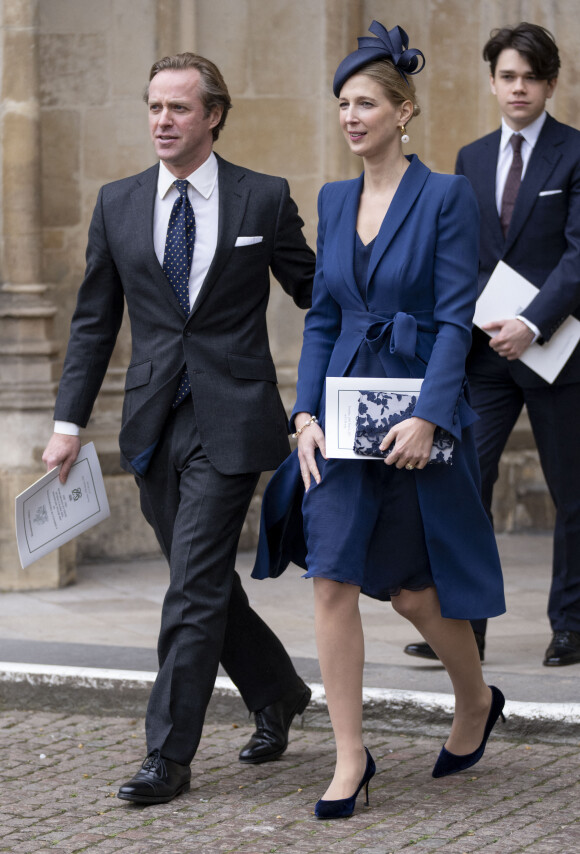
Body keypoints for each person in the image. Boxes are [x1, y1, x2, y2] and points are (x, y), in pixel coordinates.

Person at [41, 52, 316, 805]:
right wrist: (68, 423)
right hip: (153, 422)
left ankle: (168, 755)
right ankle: (280, 690)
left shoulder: (263, 198)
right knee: (201, 585)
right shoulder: (117, 202)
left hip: (232, 418)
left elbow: (314, 291)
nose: (163, 121)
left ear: (214, 115)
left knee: (191, 587)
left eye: (179, 109)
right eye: (155, 107)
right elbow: (94, 323)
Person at [252, 21, 506, 819]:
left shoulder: (447, 195)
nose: (350, 116)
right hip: (342, 417)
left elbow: (458, 316)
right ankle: (351, 757)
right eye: (341, 104)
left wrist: (431, 418)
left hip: (417, 417)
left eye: (365, 102)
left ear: (403, 112)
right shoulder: (332, 198)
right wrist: (303, 414)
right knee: (331, 577)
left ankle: (475, 701)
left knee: (413, 596)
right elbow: (323, 316)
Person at [404, 22, 580, 668]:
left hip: (557, 349)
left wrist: (531, 321)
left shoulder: (576, 153)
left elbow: (578, 255)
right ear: (492, 82)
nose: (519, 88)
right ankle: (463, 628)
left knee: (572, 490)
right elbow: (467, 252)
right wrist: (478, 319)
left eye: (531, 77)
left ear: (551, 83)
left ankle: (571, 623)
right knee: (464, 483)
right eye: (508, 76)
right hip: (484, 354)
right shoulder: (472, 158)